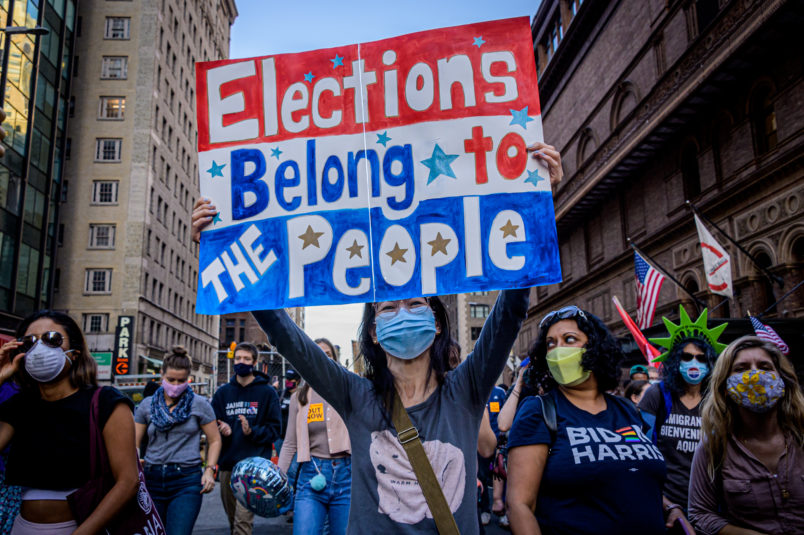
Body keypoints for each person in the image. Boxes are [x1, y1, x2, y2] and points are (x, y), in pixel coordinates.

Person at [192, 142, 564, 534]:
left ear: (436, 322)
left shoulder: (465, 391)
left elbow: (510, 312)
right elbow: (287, 338)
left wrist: (536, 206)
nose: (402, 314)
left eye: (415, 304)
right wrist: (222, 247)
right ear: (373, 331)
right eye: (387, 309)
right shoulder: (355, 396)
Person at [506, 305, 667, 535]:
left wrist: (670, 507)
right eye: (550, 343)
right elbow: (520, 506)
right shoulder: (538, 411)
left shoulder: (627, 409)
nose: (557, 350)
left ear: (595, 347)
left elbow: (635, 476)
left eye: (569, 339)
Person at [0, 310, 138, 534]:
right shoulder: (20, 405)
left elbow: (128, 482)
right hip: (22, 527)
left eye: (52, 339)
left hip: (79, 527)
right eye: (29, 342)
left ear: (74, 352)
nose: (39, 349)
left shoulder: (105, 402)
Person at [688, 336, 804, 535]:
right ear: (725, 387)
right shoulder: (715, 446)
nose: (755, 375)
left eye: (765, 367)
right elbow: (700, 513)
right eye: (741, 369)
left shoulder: (801, 435)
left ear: (782, 381)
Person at [638, 306, 724, 531]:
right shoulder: (657, 395)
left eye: (700, 358)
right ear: (676, 360)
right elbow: (640, 452)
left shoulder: (717, 401)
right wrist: (664, 503)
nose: (694, 363)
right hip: (666, 504)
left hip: (710, 506)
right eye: (687, 357)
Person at [134, 346, 222, 535]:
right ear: (161, 375)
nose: (175, 385)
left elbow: (214, 439)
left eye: (181, 381)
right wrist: (135, 467)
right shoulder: (147, 405)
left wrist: (209, 469)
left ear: (188, 378)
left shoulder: (199, 404)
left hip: (186, 480)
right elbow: (133, 442)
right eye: (170, 379)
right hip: (152, 479)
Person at [278, 338, 351, 535]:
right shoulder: (299, 397)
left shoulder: (348, 391)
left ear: (334, 360)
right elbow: (290, 443)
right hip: (311, 475)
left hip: (347, 476)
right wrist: (279, 477)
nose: (322, 358)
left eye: (327, 354)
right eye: (317, 353)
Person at [212, 341, 282, 535]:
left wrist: (252, 431)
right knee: (232, 519)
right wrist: (221, 428)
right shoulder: (222, 393)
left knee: (243, 523)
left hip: (253, 467)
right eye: (238, 358)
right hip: (228, 465)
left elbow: (275, 430)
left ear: (255, 362)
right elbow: (211, 426)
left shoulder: (267, 393)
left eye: (246, 359)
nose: (241, 362)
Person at [276, 368, 300, 456]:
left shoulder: (301, 396)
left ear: (297, 381)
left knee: (292, 469)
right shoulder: (280, 394)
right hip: (280, 438)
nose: (287, 381)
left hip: (295, 439)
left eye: (290, 379)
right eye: (286, 379)